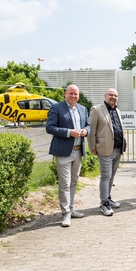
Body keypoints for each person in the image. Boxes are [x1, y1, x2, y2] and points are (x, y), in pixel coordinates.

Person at [46, 85, 90, 227]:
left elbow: (88, 125)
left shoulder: (83, 109)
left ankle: (71, 209)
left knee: (74, 182)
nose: (73, 96)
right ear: (65, 94)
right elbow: (50, 127)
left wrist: (85, 131)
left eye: (76, 94)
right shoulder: (57, 108)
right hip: (64, 151)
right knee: (64, 183)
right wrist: (68, 132)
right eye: (71, 93)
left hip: (78, 150)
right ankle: (65, 214)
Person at [87, 88, 126, 216]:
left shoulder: (117, 110)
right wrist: (92, 147)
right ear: (105, 96)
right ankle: (104, 203)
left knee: (111, 176)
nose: (113, 97)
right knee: (106, 175)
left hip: (117, 149)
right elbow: (92, 130)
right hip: (104, 149)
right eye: (111, 95)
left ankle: (108, 198)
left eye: (115, 95)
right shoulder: (97, 109)